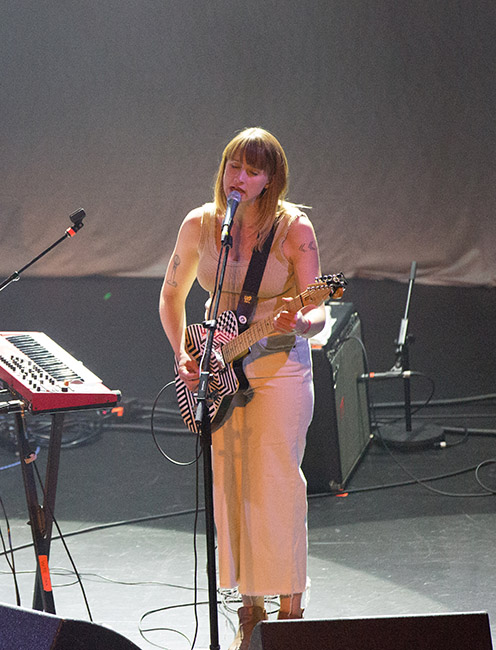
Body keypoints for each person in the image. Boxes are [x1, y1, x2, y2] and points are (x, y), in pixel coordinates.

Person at [158, 127, 324, 650]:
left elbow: (318, 308)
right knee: (232, 485)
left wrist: (301, 322)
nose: (240, 178)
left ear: (270, 180)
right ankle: (250, 612)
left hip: (278, 365)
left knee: (278, 483)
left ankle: (290, 612)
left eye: (253, 171)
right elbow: (170, 295)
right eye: (234, 166)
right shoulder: (202, 225)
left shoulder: (294, 229)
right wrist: (182, 354)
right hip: (218, 365)